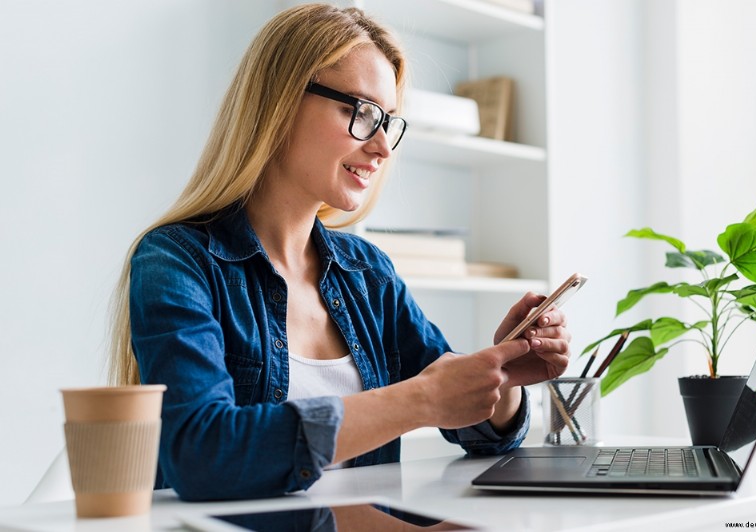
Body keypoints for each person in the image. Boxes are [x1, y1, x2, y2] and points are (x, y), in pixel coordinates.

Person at [108, 3, 571, 502]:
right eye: (361, 111)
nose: (382, 147)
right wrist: (418, 400)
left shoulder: (367, 272)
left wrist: (500, 377)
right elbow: (203, 453)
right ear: (279, 102)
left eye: (388, 121)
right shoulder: (176, 262)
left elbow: (472, 426)